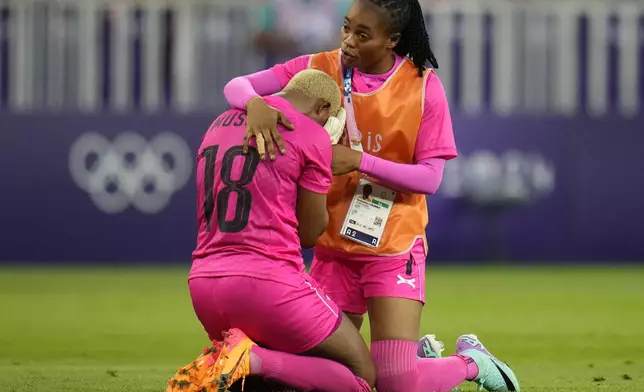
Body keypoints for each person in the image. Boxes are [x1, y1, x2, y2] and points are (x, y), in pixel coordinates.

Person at [222, 0, 520, 391]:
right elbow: (237, 86)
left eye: (363, 35)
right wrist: (255, 104)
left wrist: (360, 161)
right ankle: (417, 357)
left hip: (393, 245)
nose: (348, 41)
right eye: (346, 28)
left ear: (391, 40)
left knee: (395, 383)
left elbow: (430, 178)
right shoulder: (318, 68)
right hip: (333, 248)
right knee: (321, 373)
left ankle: (472, 363)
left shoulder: (423, 86)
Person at [166, 69, 376, 392]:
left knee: (272, 382)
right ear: (323, 109)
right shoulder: (311, 132)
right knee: (362, 376)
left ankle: (240, 360)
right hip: (270, 285)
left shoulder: (217, 125)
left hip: (204, 287)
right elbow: (309, 232)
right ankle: (252, 359)